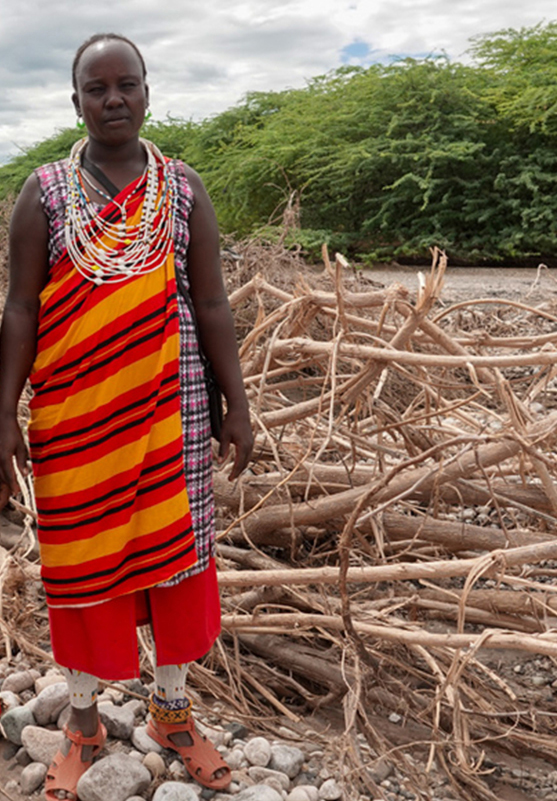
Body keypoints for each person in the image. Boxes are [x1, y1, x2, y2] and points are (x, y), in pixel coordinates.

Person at [0, 33, 253, 799]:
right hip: (75, 418)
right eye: (96, 88)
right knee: (82, 568)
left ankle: (172, 710)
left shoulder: (183, 188)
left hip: (170, 411)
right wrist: (2, 414)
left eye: (126, 85)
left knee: (174, 561)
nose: (113, 99)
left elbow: (209, 301)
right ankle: (80, 719)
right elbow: (18, 310)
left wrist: (237, 404)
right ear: (75, 101)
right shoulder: (43, 194)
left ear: (147, 92)